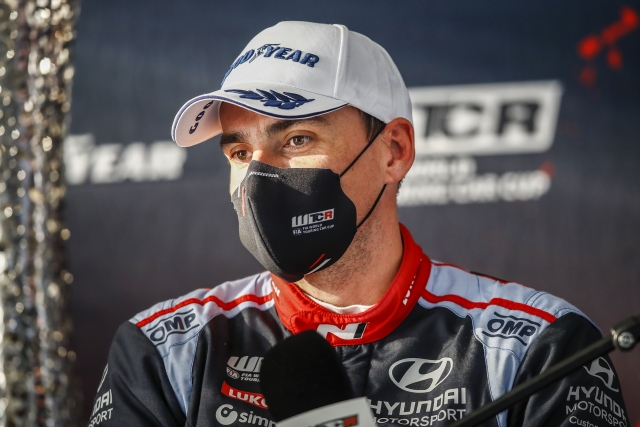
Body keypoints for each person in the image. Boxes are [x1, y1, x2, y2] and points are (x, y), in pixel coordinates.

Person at [88, 21, 628, 427]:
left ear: (394, 151)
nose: (257, 179)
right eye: (239, 152)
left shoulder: (539, 347)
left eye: (297, 139)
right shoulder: (165, 351)